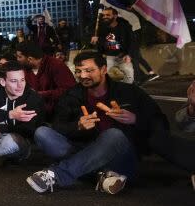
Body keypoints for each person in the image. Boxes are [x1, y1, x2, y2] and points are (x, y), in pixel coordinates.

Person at [29, 51, 162, 195]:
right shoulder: (71, 95)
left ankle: (58, 174)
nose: (83, 76)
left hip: (120, 156)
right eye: (78, 71)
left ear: (104, 69)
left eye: (89, 70)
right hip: (84, 149)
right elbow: (58, 126)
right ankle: (102, 175)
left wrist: (135, 119)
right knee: (43, 133)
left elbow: (160, 122)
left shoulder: (129, 92)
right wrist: (78, 126)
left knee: (114, 135)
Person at [15, 40, 76, 118]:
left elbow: (69, 90)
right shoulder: (24, 69)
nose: (17, 59)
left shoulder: (56, 65)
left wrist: (41, 94)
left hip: (59, 115)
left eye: (20, 57)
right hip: (35, 114)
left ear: (29, 59)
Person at [91, 7, 134, 84]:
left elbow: (132, 42)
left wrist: (129, 55)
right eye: (103, 15)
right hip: (108, 58)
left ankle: (127, 94)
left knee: (129, 77)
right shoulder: (100, 29)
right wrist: (95, 40)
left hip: (122, 57)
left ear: (115, 16)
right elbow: (95, 44)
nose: (105, 17)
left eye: (108, 15)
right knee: (107, 80)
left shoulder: (125, 27)